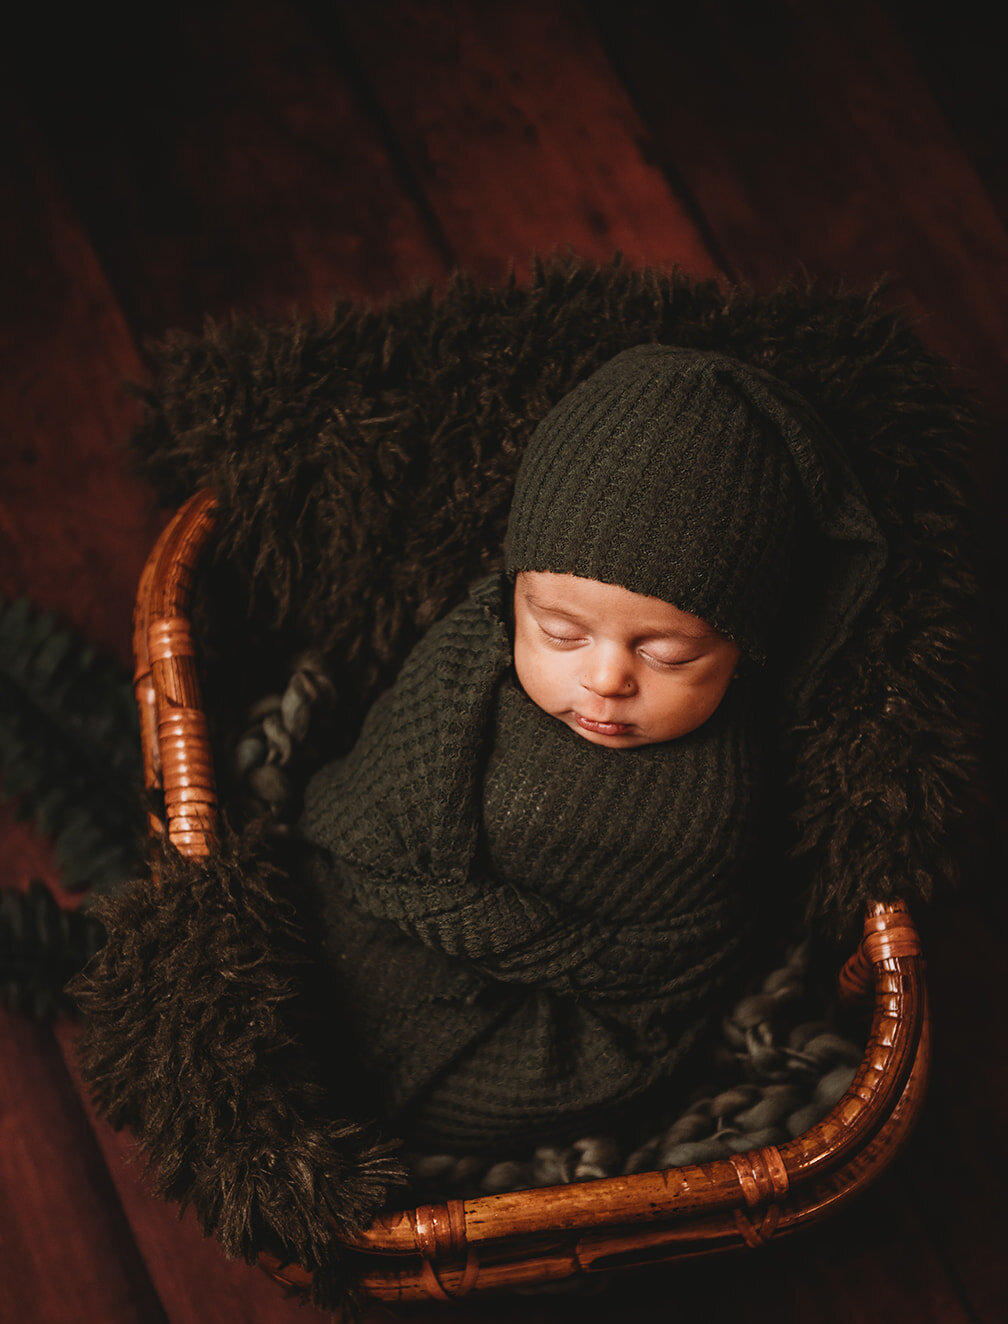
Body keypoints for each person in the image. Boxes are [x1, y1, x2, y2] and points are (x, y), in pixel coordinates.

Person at [292, 344, 887, 1154]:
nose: (606, 678)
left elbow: (676, 959)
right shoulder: (465, 666)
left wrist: (515, 946)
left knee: (579, 1080)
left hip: (579, 1004)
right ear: (515, 598)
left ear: (745, 649)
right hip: (401, 917)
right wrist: (460, 920)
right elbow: (361, 818)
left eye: (669, 655)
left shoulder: (721, 790)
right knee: (309, 941)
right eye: (561, 632)